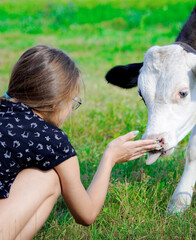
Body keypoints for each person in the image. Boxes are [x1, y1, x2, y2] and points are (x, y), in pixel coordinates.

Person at [0, 45, 161, 239]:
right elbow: (87, 214)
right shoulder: (51, 140)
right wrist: (110, 157)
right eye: (72, 101)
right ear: (54, 102)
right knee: (48, 178)